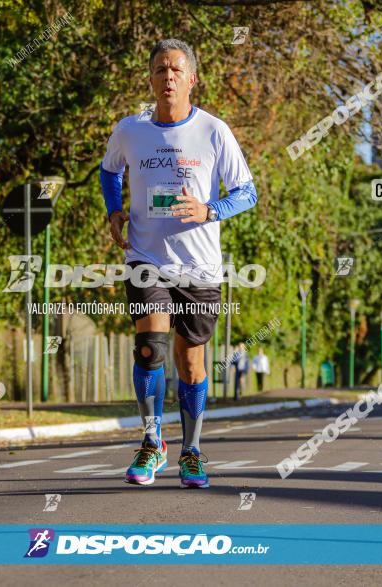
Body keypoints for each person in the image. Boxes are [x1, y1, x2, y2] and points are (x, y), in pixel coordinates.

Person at [101, 39, 258, 488]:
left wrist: (211, 210)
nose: (167, 77)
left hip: (200, 267)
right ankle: (152, 442)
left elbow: (247, 193)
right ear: (150, 79)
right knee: (150, 348)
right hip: (146, 257)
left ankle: (191, 451)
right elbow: (110, 170)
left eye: (175, 70)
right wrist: (115, 211)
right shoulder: (130, 130)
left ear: (191, 79)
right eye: (159, 70)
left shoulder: (214, 131)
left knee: (191, 364)